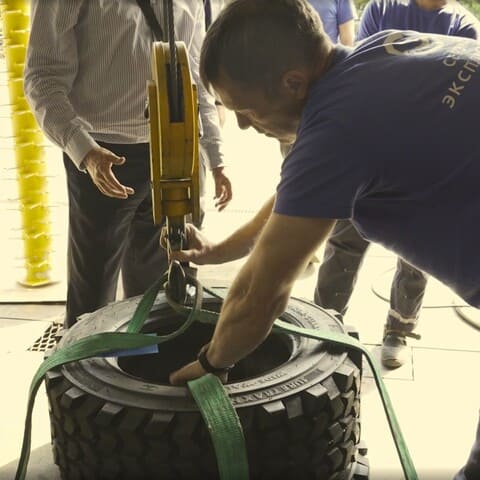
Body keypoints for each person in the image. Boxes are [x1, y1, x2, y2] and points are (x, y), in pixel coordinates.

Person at [165, 1, 480, 478]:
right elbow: (300, 194)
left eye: (245, 110)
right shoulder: (374, 55)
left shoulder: (339, 127)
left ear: (293, 82)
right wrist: (223, 251)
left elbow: (260, 294)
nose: (246, 125)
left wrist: (211, 363)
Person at [24, 1, 232, 328]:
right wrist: (85, 152)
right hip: (103, 154)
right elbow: (42, 78)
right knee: (93, 292)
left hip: (173, 148)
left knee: (156, 289)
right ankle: (85, 355)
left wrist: (215, 157)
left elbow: (192, 74)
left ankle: (143, 355)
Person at [314, 0, 480, 369]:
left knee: (415, 259)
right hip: (370, 156)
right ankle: (325, 325)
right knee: (343, 242)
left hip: (427, 169)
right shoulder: (382, 9)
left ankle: (399, 329)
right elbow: (365, 78)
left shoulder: (464, 26)